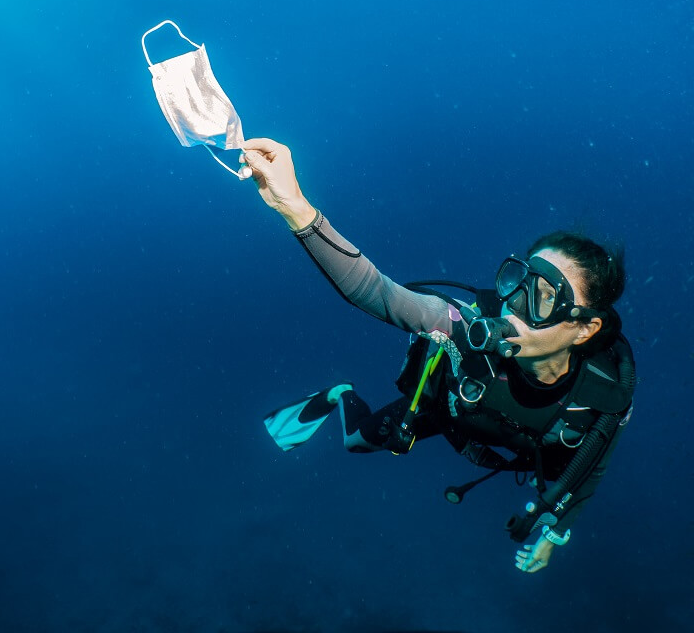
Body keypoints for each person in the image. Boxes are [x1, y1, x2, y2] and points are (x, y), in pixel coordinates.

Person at [240, 138, 635, 575]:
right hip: (445, 411)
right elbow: (377, 291)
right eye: (517, 282)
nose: (513, 307)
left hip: (511, 439)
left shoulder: (602, 398)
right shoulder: (465, 329)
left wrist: (551, 537)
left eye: (542, 298)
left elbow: (586, 475)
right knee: (356, 442)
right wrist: (294, 206)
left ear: (585, 328)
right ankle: (340, 393)